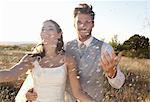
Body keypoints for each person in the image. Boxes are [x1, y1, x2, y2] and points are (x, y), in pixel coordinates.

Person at [25, 3, 125, 102]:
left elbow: (119, 84)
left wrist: (112, 73)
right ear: (74, 24)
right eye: (79, 22)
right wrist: (32, 90)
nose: (83, 25)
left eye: (87, 22)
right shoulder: (63, 47)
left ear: (93, 24)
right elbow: (45, 71)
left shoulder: (105, 49)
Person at [0, 20, 97, 102]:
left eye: (50, 28)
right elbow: (11, 74)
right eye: (43, 29)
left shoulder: (68, 60)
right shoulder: (31, 59)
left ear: (59, 34)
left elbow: (77, 92)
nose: (46, 31)